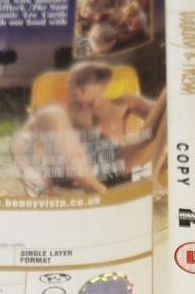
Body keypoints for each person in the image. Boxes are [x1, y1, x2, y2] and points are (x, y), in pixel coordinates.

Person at [13, 61, 167, 194]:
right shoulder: (61, 112)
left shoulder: (123, 103)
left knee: (170, 95)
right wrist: (26, 169)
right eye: (70, 83)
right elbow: (23, 138)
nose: (73, 87)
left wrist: (163, 157)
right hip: (78, 171)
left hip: (120, 162)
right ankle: (96, 190)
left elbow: (164, 122)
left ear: (102, 84)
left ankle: (151, 177)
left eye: (81, 82)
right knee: (50, 113)